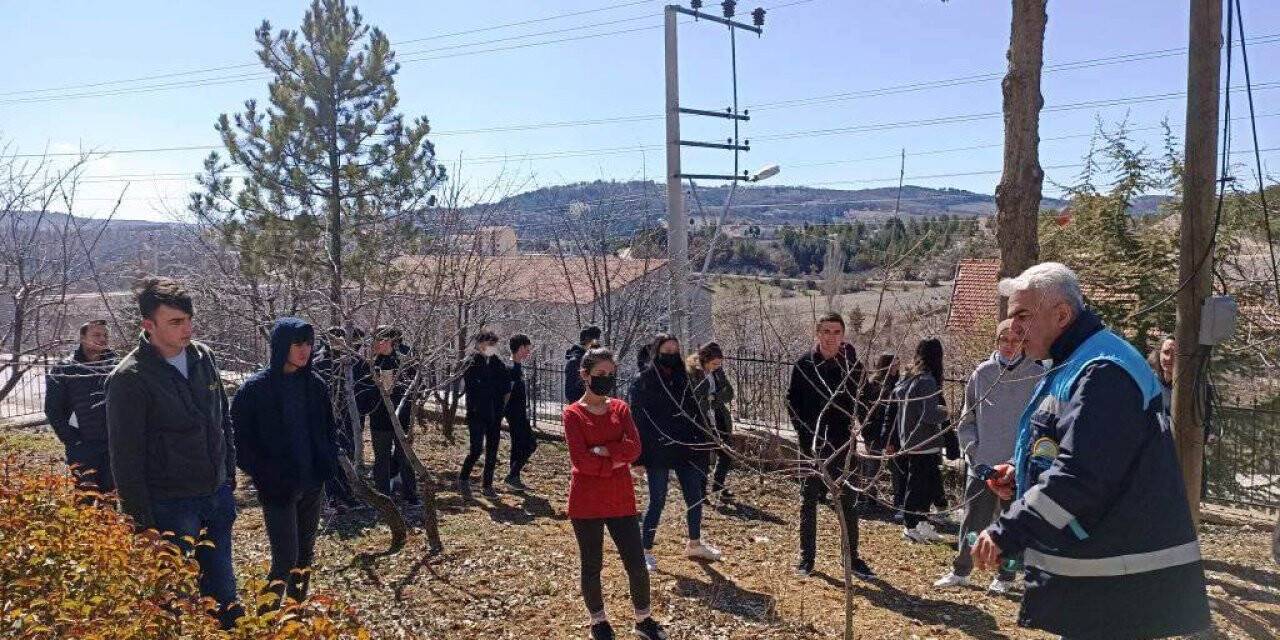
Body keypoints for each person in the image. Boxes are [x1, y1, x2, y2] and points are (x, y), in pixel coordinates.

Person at [972, 262, 1210, 639]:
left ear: (1062, 315)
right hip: (1101, 572)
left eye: (1022, 315)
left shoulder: (1101, 371)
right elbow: (1072, 450)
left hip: (1119, 580)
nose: (1013, 328)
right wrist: (1020, 473)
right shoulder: (1075, 362)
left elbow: (1082, 476)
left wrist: (1008, 530)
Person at [106, 277, 241, 628]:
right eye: (176, 322)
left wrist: (228, 479)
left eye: (189, 320)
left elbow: (222, 420)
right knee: (168, 603)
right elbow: (125, 458)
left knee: (225, 596)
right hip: (169, 507)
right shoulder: (130, 378)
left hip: (215, 497)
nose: (187, 329)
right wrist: (141, 524)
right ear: (148, 326)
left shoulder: (203, 357)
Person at [232, 318, 340, 611]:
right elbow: (239, 443)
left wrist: (327, 463)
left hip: (312, 482)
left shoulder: (315, 385)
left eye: (308, 343)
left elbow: (329, 430)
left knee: (304, 558)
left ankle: (294, 619)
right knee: (284, 560)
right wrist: (266, 475)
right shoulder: (255, 390)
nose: (304, 350)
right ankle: (265, 621)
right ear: (281, 346)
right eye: (297, 344)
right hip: (278, 489)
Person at [563, 347, 667, 640]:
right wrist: (617, 460)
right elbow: (580, 461)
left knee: (636, 562)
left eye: (610, 374)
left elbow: (635, 448)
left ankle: (643, 620)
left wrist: (604, 452)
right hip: (586, 501)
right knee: (592, 564)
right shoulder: (572, 414)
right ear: (585, 375)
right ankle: (598, 621)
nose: (606, 379)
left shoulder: (621, 408)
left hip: (621, 498)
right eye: (600, 374)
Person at [934, 319, 1043, 593]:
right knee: (973, 520)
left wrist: (1020, 463)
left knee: (1013, 523)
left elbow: (1040, 426)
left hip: (1017, 466)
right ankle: (961, 569)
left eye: (1015, 340)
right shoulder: (981, 374)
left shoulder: (1037, 376)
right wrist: (976, 457)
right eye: (1003, 340)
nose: (1009, 346)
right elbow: (966, 421)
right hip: (982, 465)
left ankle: (1006, 576)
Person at [786, 312, 873, 579]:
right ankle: (807, 558)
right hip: (812, 446)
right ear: (817, 333)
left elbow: (865, 403)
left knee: (847, 502)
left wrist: (866, 435)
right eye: (826, 331)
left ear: (843, 335)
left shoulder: (852, 366)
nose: (831, 337)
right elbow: (792, 402)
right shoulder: (804, 365)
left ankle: (851, 557)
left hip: (842, 444)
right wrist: (805, 435)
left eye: (836, 332)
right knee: (808, 500)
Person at [630, 333, 721, 571]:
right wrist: (638, 458)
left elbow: (693, 412)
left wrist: (705, 439)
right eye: (666, 351)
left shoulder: (683, 378)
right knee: (657, 500)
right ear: (656, 352)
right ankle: (644, 549)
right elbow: (637, 420)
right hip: (656, 450)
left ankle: (695, 543)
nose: (671, 355)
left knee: (695, 497)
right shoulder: (643, 381)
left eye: (675, 351)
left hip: (685, 448)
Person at [45, 319, 118, 494]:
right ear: (82, 338)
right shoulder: (65, 369)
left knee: (112, 499)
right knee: (84, 497)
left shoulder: (115, 365)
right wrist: (72, 440)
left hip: (113, 444)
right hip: (82, 446)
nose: (102, 339)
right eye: (96, 335)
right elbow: (53, 409)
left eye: (105, 335)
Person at [313, 326, 375, 509]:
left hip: (351, 418)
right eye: (334, 339)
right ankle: (335, 495)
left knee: (347, 453)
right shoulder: (319, 363)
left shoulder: (357, 363)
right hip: (327, 418)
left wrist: (361, 411)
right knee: (332, 455)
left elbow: (368, 390)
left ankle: (344, 492)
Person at [893, 337, 948, 544]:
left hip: (910, 439)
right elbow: (929, 415)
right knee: (917, 486)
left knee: (925, 484)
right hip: (924, 441)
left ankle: (922, 522)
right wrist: (945, 413)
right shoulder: (927, 381)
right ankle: (910, 525)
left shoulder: (909, 377)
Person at [368, 325, 418, 504]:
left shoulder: (405, 359)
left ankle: (411, 495)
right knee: (381, 458)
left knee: (404, 457)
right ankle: (383, 497)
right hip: (379, 418)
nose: (375, 344)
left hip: (401, 418)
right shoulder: (371, 361)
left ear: (389, 341)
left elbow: (415, 386)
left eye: (379, 340)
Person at [459, 330, 510, 498]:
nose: (492, 348)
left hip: (495, 412)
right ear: (481, 343)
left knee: (492, 450)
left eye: (494, 345)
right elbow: (474, 385)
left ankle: (487, 485)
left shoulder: (497, 362)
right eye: (490, 344)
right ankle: (464, 476)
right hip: (477, 412)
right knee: (476, 449)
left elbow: (505, 384)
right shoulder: (472, 361)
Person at [686, 342, 737, 499]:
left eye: (719, 363)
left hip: (719, 418)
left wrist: (714, 398)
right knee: (703, 457)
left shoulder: (718, 372)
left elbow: (729, 393)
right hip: (701, 420)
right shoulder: (693, 373)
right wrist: (709, 395)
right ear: (705, 360)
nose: (717, 366)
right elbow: (695, 398)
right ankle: (701, 494)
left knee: (726, 454)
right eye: (714, 363)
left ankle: (718, 487)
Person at [855, 353, 898, 514]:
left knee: (885, 465)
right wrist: (867, 426)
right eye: (893, 364)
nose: (896, 367)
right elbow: (865, 407)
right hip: (874, 429)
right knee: (872, 464)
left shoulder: (897, 383)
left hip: (890, 430)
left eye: (897, 364)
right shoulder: (875, 384)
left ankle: (877, 496)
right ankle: (868, 497)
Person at [504, 333, 537, 491]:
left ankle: (514, 479)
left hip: (519, 413)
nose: (528, 352)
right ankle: (512, 475)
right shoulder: (511, 369)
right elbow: (505, 393)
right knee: (530, 444)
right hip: (514, 414)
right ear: (520, 347)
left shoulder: (517, 367)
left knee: (517, 446)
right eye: (526, 348)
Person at [564, 325, 603, 402]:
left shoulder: (596, 360)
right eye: (593, 340)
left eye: (597, 340)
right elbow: (571, 394)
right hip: (581, 409)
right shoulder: (575, 362)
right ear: (585, 340)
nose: (596, 344)